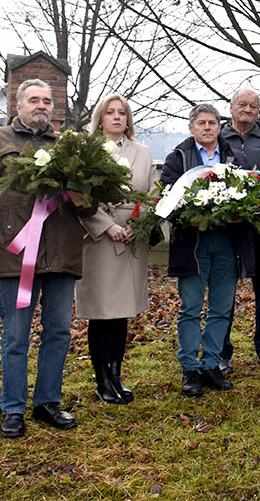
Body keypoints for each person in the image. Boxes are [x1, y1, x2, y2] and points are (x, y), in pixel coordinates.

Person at [0, 79, 95, 438]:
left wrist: (85, 197)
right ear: (17, 105)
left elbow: (89, 203)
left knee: (59, 332)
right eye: (33, 100)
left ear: (55, 108)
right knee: (16, 336)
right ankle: (13, 408)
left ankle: (48, 402)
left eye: (47, 101)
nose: (41, 105)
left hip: (62, 255)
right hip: (16, 256)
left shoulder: (71, 147)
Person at [161, 104, 254, 398]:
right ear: (191, 128)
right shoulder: (178, 158)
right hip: (192, 244)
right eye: (201, 123)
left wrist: (242, 213)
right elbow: (165, 198)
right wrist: (190, 216)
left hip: (227, 242)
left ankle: (212, 363)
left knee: (222, 307)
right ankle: (189, 366)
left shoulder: (235, 158)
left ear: (219, 126)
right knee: (190, 307)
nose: (207, 127)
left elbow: (248, 195)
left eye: (212, 122)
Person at [76, 94, 158, 404]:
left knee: (121, 312)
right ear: (100, 117)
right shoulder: (88, 151)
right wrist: (107, 225)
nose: (116, 117)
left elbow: (152, 194)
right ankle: (101, 380)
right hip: (98, 238)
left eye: (121, 112)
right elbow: (79, 196)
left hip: (131, 238)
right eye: (109, 112)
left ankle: (115, 374)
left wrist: (139, 225)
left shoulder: (143, 152)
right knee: (102, 312)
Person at [221, 88, 260, 373]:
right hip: (227, 228)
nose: (248, 110)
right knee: (225, 292)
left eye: (254, 106)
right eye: (243, 105)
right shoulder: (219, 137)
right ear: (231, 107)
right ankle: (221, 351)